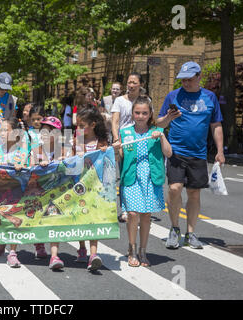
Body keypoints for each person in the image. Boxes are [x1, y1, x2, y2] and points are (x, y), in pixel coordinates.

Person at [157, 61, 225, 250]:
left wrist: (220, 151)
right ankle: (174, 228)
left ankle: (191, 233)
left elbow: (216, 125)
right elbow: (159, 124)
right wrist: (169, 117)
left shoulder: (210, 97)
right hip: (176, 152)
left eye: (189, 79)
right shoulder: (173, 95)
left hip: (199, 153)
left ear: (199, 76)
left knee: (194, 193)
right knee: (174, 188)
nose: (185, 83)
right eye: (182, 79)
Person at [113, 95, 172, 267]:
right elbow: (119, 158)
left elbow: (169, 153)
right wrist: (117, 149)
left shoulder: (157, 131)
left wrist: (161, 137)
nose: (140, 116)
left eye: (144, 113)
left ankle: (143, 251)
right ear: (132, 113)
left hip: (151, 178)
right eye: (137, 112)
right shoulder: (125, 133)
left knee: (146, 215)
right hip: (131, 178)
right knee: (132, 214)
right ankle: (131, 248)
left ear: (150, 113)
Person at [0, 118, 29, 268]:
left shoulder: (23, 151)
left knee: (13, 219)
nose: (2, 133)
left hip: (16, 190)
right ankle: (2, 241)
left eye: (6, 130)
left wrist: (22, 165)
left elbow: (29, 169)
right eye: (0, 130)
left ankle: (13, 252)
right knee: (0, 218)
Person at [71, 105, 109, 271]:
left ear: (93, 125)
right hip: (79, 185)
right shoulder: (77, 140)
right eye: (77, 126)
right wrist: (73, 154)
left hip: (96, 187)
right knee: (81, 218)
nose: (78, 129)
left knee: (93, 219)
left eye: (81, 126)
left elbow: (109, 162)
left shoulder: (102, 142)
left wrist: (106, 151)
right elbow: (68, 160)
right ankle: (82, 248)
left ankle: (93, 254)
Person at [29, 116, 67, 270]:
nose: (44, 133)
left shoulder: (64, 151)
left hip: (57, 193)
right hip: (39, 192)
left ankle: (54, 256)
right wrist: (39, 164)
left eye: (49, 131)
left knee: (54, 222)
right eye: (43, 130)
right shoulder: (35, 151)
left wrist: (65, 160)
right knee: (38, 220)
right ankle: (39, 244)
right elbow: (30, 169)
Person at [111, 73, 145, 223]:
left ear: (140, 84)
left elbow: (149, 120)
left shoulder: (146, 100)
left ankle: (139, 207)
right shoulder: (119, 101)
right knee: (126, 175)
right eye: (129, 82)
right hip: (125, 142)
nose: (130, 85)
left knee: (142, 175)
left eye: (134, 83)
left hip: (141, 140)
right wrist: (117, 140)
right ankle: (125, 209)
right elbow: (115, 121)